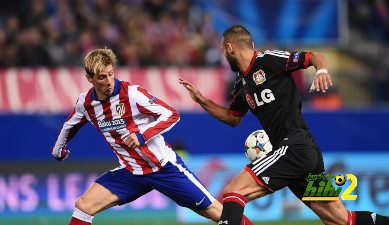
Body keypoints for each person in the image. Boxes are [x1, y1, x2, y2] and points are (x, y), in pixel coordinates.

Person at [179, 25, 389, 225]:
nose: (224, 55)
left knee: (233, 191)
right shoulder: (241, 84)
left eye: (222, 50)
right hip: (303, 156)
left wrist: (321, 71)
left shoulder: (268, 60)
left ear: (230, 48)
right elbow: (232, 118)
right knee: (341, 219)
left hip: (294, 148)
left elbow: (314, 56)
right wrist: (202, 101)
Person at [51, 48, 253, 225]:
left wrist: (142, 135)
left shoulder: (131, 93)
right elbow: (69, 126)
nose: (109, 81)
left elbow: (171, 114)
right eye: (102, 77)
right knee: (83, 205)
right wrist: (58, 150)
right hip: (132, 172)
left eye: (111, 74)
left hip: (163, 168)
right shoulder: (85, 103)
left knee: (219, 213)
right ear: (90, 78)